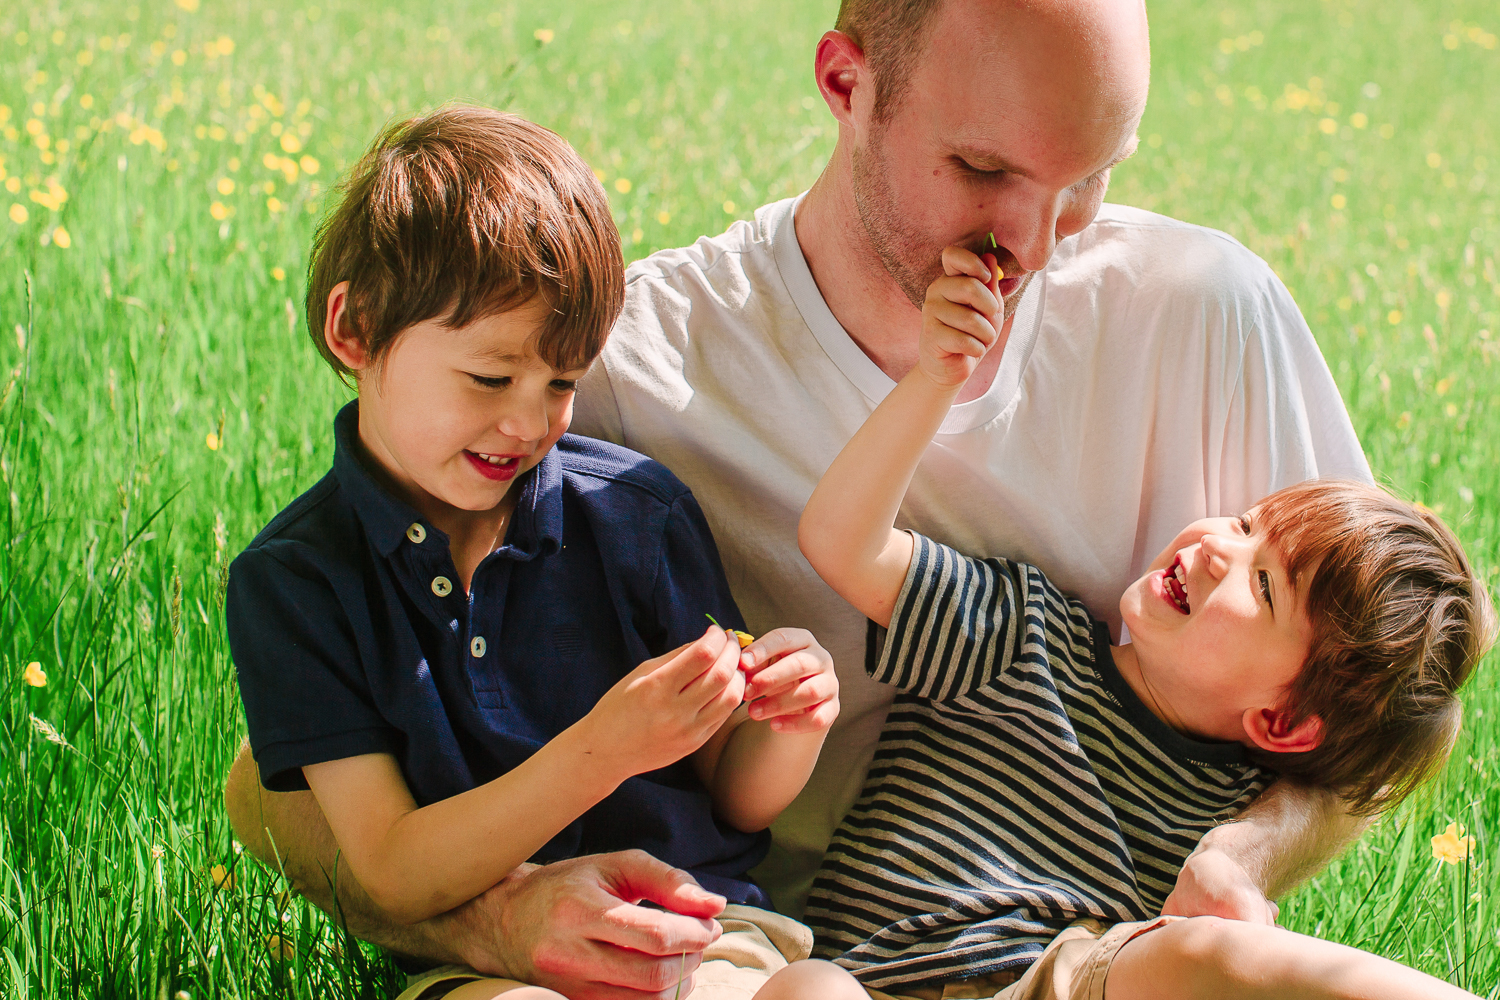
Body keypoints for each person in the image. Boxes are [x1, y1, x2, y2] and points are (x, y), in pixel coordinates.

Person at [224, 0, 1377, 994]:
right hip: (763, 957)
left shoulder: (1205, 313)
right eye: (984, 170)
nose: (1031, 242)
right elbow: (275, 792)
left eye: (1089, 181)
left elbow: (1381, 709)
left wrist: (1247, 852)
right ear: (846, 81)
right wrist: (497, 920)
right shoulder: (615, 376)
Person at [224, 104, 868, 1000]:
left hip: (697, 936)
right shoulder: (295, 583)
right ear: (355, 331)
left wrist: (786, 725)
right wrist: (600, 750)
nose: (529, 423)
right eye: (490, 378)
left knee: (824, 994)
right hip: (488, 960)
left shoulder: (635, 514)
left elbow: (729, 795)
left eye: (562, 383)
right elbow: (392, 870)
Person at [796, 244, 1496, 997]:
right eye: (1243, 520)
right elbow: (842, 542)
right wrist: (936, 379)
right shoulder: (1019, 632)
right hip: (866, 980)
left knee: (1209, 954)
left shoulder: (1236, 820)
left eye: (1263, 585)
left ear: (1284, 724)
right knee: (811, 991)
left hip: (1050, 981)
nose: (1216, 545)